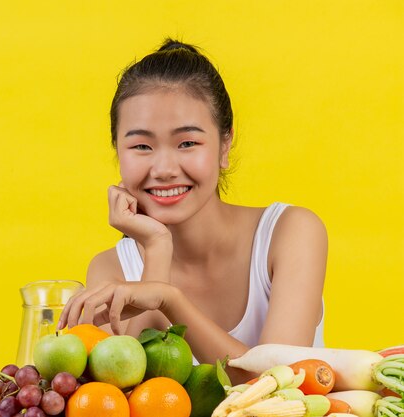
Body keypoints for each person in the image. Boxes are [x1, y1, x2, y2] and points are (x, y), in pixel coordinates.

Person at [57, 39, 327, 380]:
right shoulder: (110, 271)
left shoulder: (290, 233)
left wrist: (171, 300)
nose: (165, 168)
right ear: (118, 152)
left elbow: (277, 385)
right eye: (141, 145)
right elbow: (124, 393)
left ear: (224, 145)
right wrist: (157, 249)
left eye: (187, 143)